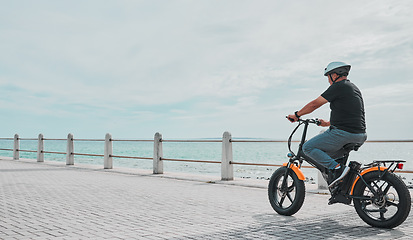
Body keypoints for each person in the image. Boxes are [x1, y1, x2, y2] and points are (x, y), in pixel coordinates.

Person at [287, 61, 367, 187]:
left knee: (307, 148)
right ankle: (341, 184)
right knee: (324, 154)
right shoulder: (353, 88)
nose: (328, 81)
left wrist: (297, 115)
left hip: (343, 134)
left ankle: (338, 169)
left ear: (334, 75)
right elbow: (350, 115)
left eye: (328, 77)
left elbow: (314, 104)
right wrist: (326, 124)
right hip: (359, 135)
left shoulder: (338, 86)